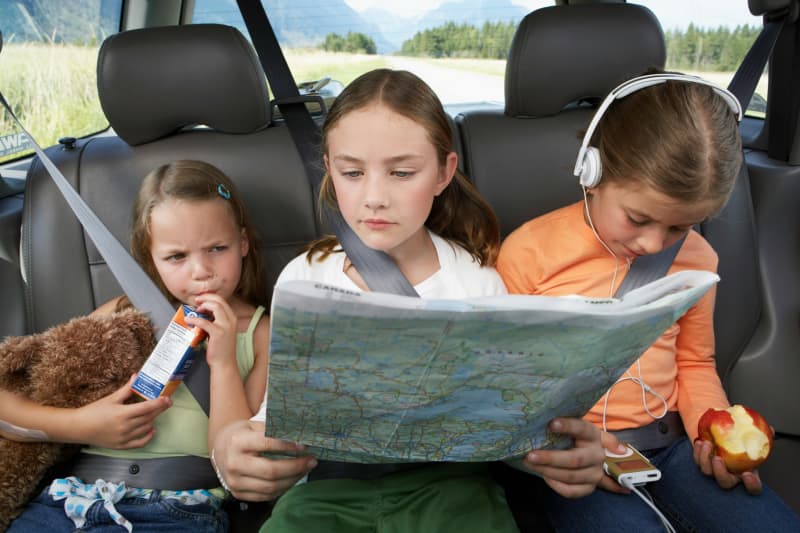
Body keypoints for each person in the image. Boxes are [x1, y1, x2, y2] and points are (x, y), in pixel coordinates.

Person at [210, 68, 611, 533]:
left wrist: (555, 456)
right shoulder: (304, 278)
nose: (374, 197)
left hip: (453, 491)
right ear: (329, 167)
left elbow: (508, 425)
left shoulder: (476, 281)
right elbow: (276, 414)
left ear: (444, 172)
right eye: (352, 172)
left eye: (402, 173)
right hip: (324, 492)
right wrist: (233, 454)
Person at [496, 72, 800, 532]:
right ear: (592, 171)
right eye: (638, 218)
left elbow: (695, 363)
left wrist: (713, 436)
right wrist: (554, 452)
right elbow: (505, 383)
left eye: (680, 227)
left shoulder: (698, 259)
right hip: (574, 453)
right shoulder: (528, 253)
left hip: (671, 444)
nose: (656, 244)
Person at [4, 160, 270, 532]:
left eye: (217, 248)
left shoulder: (261, 333)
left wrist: (223, 362)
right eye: (177, 256)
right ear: (150, 260)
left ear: (242, 243)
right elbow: (7, 403)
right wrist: (81, 426)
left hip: (178, 509)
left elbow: (236, 461)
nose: (200, 271)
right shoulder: (123, 314)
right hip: (69, 499)